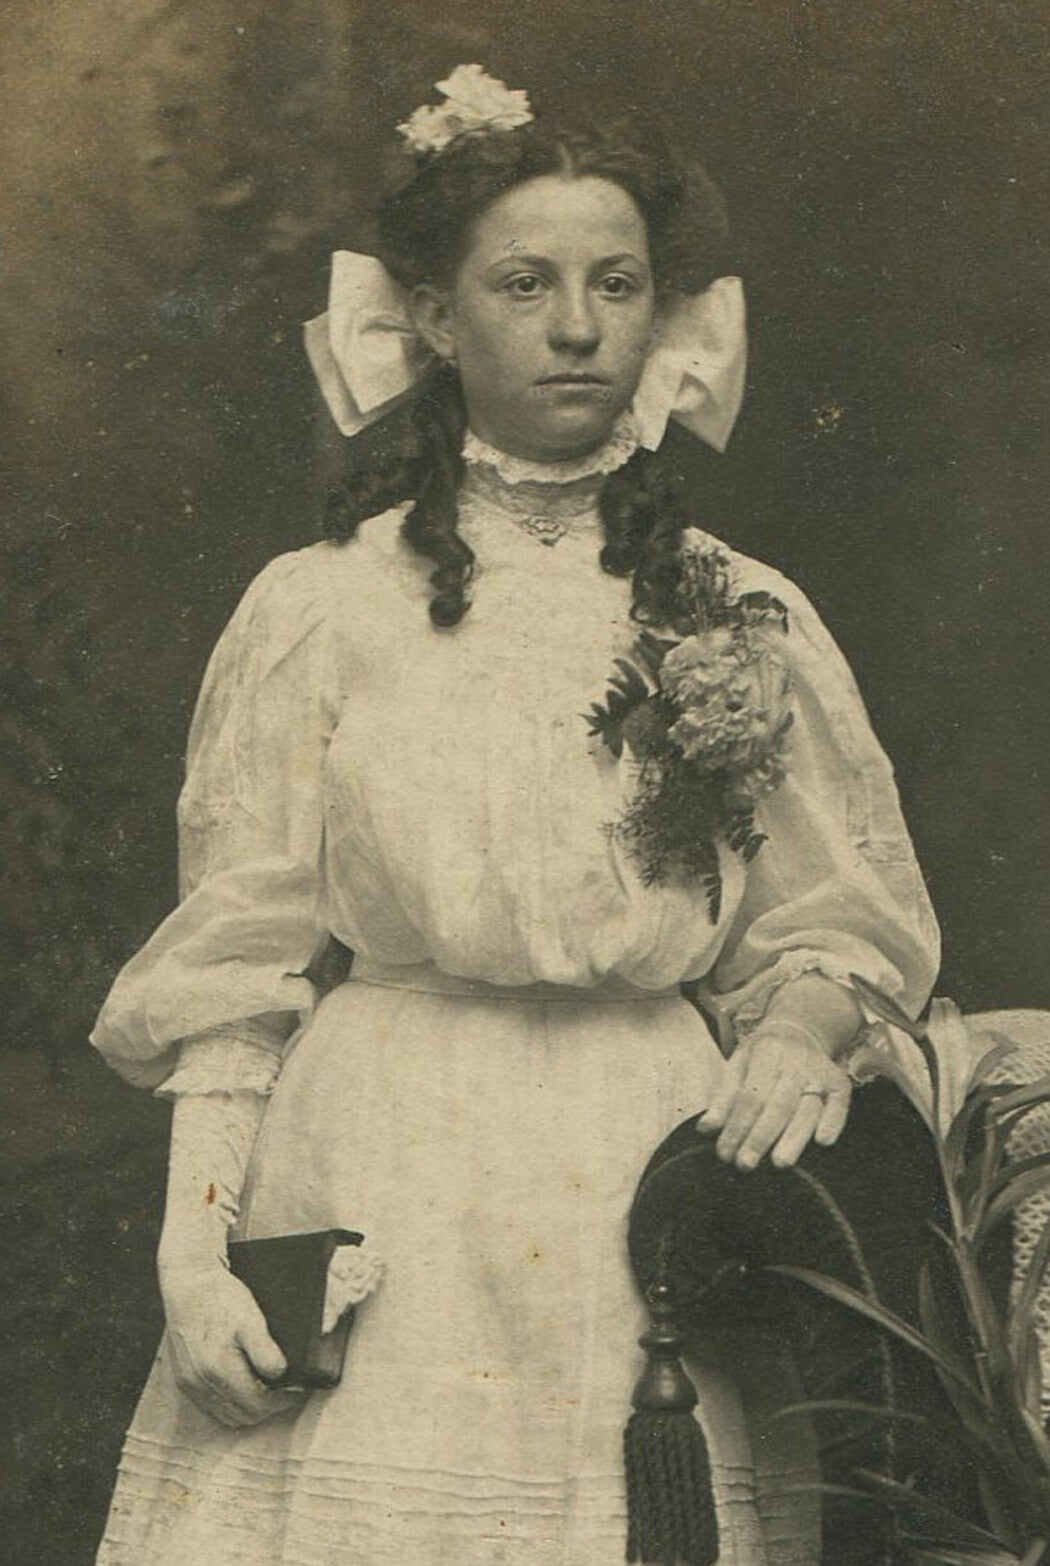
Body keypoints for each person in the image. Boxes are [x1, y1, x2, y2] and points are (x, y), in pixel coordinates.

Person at [90, 65, 939, 1566]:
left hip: (648, 1188)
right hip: (387, 1165)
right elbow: (235, 964)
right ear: (428, 316)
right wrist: (192, 1252)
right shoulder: (326, 607)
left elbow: (832, 915)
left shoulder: (741, 609)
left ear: (662, 314)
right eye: (524, 282)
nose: (574, 326)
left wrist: (804, 1026)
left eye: (615, 284)